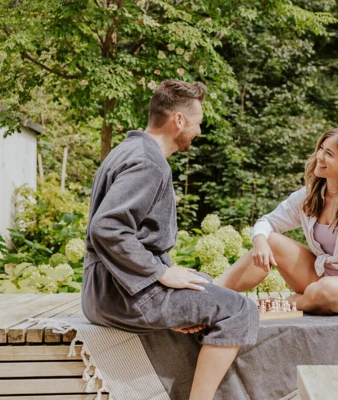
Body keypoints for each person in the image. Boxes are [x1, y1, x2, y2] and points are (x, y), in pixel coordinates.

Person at [81, 80, 258, 400]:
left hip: (102, 292)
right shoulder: (149, 162)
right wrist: (160, 273)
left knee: (203, 284)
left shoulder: (127, 149)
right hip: (121, 296)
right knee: (239, 309)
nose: (199, 131)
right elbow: (106, 228)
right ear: (179, 120)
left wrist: (176, 303)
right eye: (198, 123)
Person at [217, 127, 338, 319]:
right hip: (316, 276)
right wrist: (260, 242)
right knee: (270, 240)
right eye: (321, 149)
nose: (319, 156)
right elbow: (267, 221)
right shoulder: (309, 195)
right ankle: (212, 293)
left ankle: (280, 304)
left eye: (329, 153)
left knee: (328, 289)